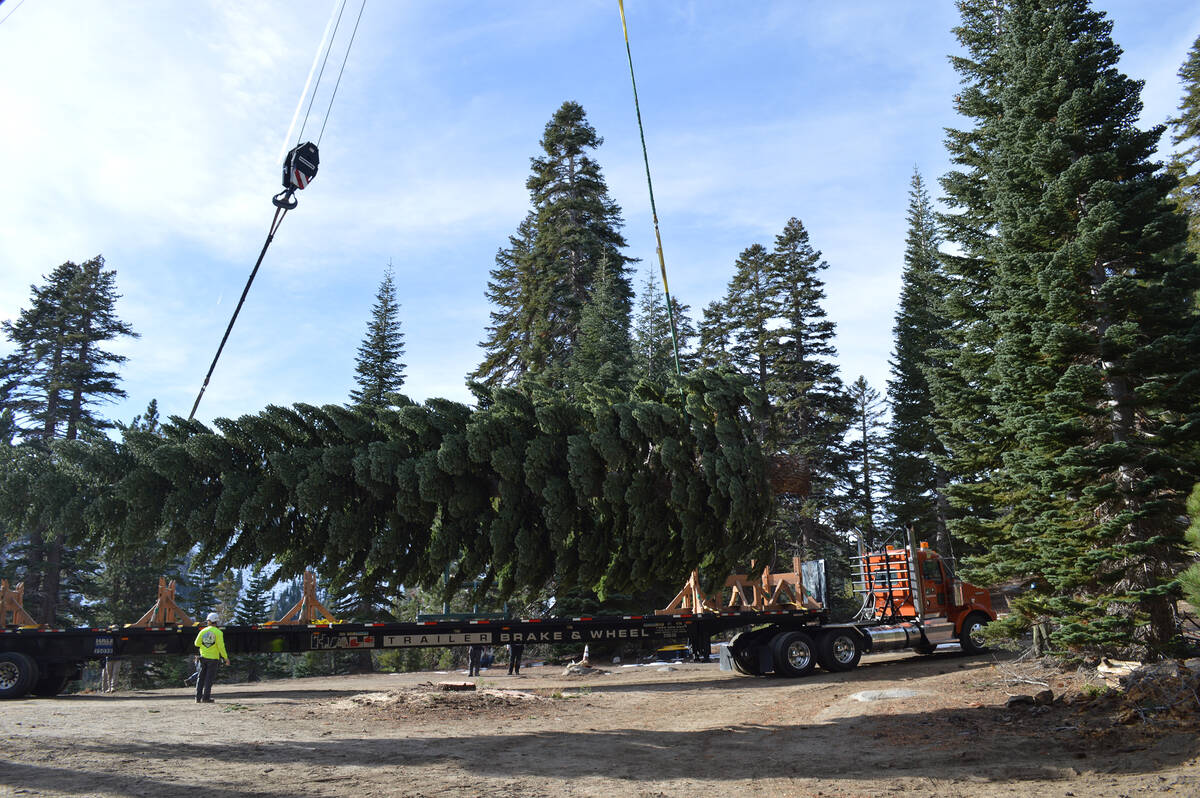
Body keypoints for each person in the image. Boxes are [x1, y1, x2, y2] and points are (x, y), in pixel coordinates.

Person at [193, 612, 229, 703]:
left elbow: (196, 643)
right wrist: (225, 658)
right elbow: (221, 647)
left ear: (209, 621)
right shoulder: (218, 632)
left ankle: (197, 698)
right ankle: (206, 698)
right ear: (216, 621)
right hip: (213, 659)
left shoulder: (202, 631)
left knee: (200, 678)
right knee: (209, 679)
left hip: (203, 657)